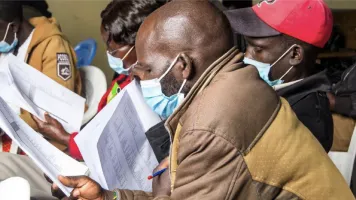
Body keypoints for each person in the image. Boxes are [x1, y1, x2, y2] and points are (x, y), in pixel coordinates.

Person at [56, 1, 353, 199]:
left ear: (183, 66)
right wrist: (110, 196)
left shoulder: (212, 123)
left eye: (145, 70)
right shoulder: (232, 86)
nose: (139, 78)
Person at [29, 0, 166, 160]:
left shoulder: (151, 96)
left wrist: (64, 138)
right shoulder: (123, 78)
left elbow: (111, 146)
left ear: (140, 43)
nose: (108, 54)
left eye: (113, 51)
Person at [224, 0, 334, 152]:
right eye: (247, 45)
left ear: (295, 55)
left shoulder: (304, 120)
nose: (246, 55)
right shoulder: (271, 93)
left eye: (257, 49)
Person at [0, 1, 81, 154]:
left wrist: (6, 123)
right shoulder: (9, 44)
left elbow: (55, 111)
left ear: (14, 27)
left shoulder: (53, 46)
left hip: (44, 145)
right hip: (14, 134)